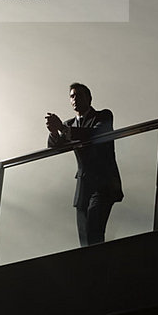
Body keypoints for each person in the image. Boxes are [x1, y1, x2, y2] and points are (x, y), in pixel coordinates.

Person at [45, 83, 123, 246]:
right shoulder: (69, 124)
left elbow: (96, 135)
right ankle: (88, 267)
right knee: (84, 239)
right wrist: (54, 131)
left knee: (94, 230)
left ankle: (97, 266)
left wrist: (62, 129)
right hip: (84, 186)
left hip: (104, 183)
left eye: (79, 95)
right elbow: (54, 146)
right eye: (72, 96)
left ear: (89, 98)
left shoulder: (103, 115)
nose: (75, 99)